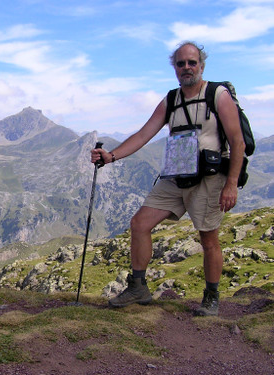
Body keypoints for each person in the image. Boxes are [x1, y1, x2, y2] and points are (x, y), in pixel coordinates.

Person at [91, 41, 245, 316]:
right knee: (139, 223)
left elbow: (237, 141)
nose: (186, 68)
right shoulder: (171, 99)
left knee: (208, 239)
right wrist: (110, 156)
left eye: (192, 62)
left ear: (202, 65)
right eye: (180, 63)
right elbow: (143, 134)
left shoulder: (217, 95)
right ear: (174, 67)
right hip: (176, 176)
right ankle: (138, 287)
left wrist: (231, 184)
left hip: (209, 179)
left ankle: (211, 297)